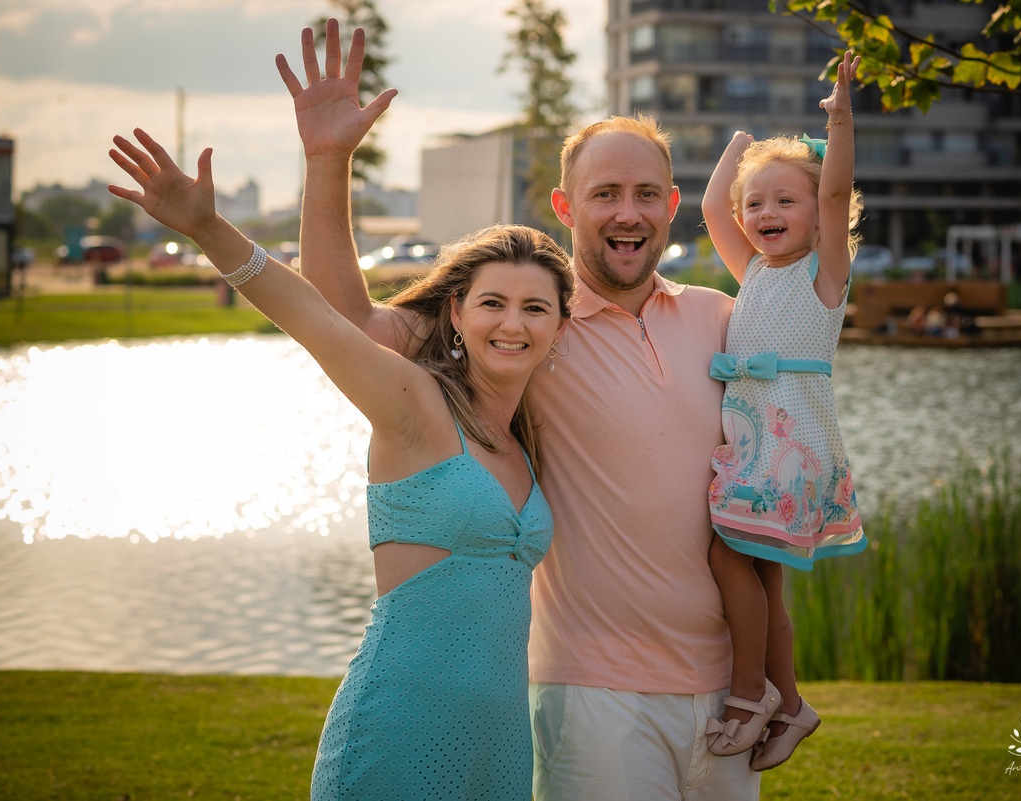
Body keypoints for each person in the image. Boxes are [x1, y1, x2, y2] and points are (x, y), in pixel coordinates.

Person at [284, 20, 757, 801]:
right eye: (605, 194)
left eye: (645, 194)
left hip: (723, 697)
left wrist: (769, 674)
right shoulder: (529, 324)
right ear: (567, 205)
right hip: (594, 691)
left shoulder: (717, 316)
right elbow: (348, 322)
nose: (628, 213)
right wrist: (328, 160)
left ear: (672, 204)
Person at [106, 118, 574, 797]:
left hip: (499, 744)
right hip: (399, 731)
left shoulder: (526, 437)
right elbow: (318, 317)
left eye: (536, 308)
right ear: (456, 314)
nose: (513, 323)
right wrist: (210, 229)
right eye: (493, 303)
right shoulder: (414, 404)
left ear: (560, 325)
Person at [700, 53, 867, 771]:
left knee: (725, 553)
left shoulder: (821, 273)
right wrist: (737, 150)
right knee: (761, 580)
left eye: (784, 201)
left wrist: (840, 120)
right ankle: (792, 702)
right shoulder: (756, 272)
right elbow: (713, 208)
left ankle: (749, 694)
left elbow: (834, 197)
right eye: (756, 203)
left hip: (789, 453)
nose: (766, 214)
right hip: (752, 448)